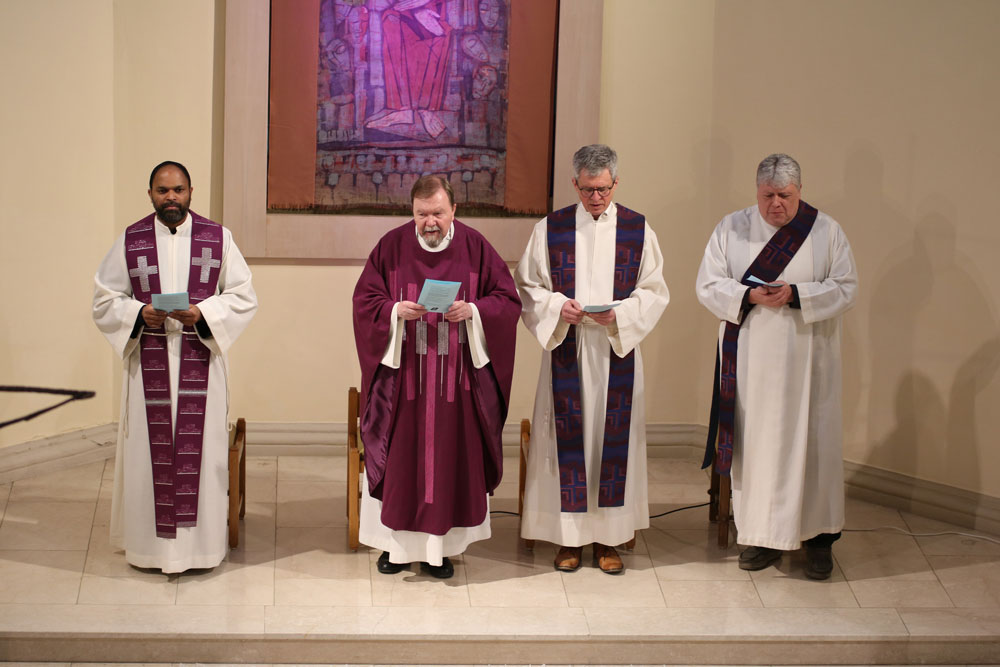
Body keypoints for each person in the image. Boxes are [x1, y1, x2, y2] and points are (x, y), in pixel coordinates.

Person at [695, 153, 858, 580]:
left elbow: (846, 287)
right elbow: (708, 285)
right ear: (757, 191)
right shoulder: (731, 228)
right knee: (761, 447)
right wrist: (747, 296)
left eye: (785, 196)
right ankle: (763, 537)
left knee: (814, 446)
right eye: (767, 196)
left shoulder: (826, 231)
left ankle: (819, 540)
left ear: (800, 192)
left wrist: (798, 294)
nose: (776, 206)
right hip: (751, 364)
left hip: (810, 364)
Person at [352, 175, 521, 579]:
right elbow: (364, 303)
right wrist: (395, 311)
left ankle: (439, 551)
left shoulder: (476, 246)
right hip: (404, 382)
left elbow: (506, 300)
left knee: (448, 465)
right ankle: (395, 549)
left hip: (454, 383)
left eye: (438, 213)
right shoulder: (391, 246)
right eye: (422, 214)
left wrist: (474, 312)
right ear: (412, 212)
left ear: (454, 211)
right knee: (399, 465)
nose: (430, 222)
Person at [92, 161, 257, 573]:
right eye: (163, 190)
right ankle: (149, 549)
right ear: (149, 193)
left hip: (199, 360)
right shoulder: (132, 240)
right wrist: (137, 312)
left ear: (190, 191)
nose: (171, 198)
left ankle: (200, 549)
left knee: (200, 457)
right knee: (149, 456)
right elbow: (104, 299)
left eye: (178, 190)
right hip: (147, 366)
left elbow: (242, 295)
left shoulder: (217, 238)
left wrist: (202, 313)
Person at [515, 144, 669, 574]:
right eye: (587, 190)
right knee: (567, 446)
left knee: (609, 448)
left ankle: (608, 539)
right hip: (568, 347)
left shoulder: (638, 230)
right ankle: (568, 541)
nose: (595, 198)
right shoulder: (552, 228)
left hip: (615, 350)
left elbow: (654, 292)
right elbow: (528, 287)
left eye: (602, 189)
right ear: (574, 184)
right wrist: (555, 308)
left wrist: (619, 314)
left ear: (616, 183)